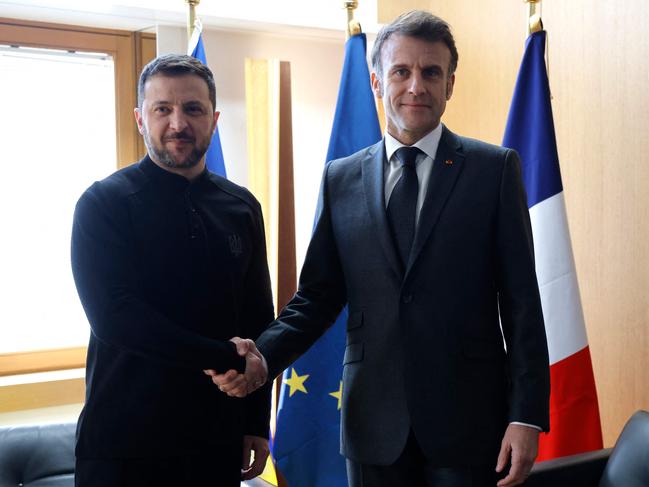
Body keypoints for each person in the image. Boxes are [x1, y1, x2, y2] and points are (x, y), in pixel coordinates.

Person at [211, 10, 550, 487]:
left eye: (431, 72)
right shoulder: (341, 178)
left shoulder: (493, 172)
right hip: (373, 426)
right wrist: (263, 358)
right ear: (376, 81)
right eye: (401, 71)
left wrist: (527, 415)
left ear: (450, 83)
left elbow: (522, 303)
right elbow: (315, 299)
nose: (416, 86)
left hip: (470, 426)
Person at [71, 54, 273, 487]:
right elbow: (116, 318)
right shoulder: (103, 204)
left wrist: (255, 419)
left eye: (193, 109)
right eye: (162, 109)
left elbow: (257, 315)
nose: (178, 123)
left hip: (215, 440)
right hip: (124, 444)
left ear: (214, 119)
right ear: (140, 119)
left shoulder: (241, 207)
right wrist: (223, 356)